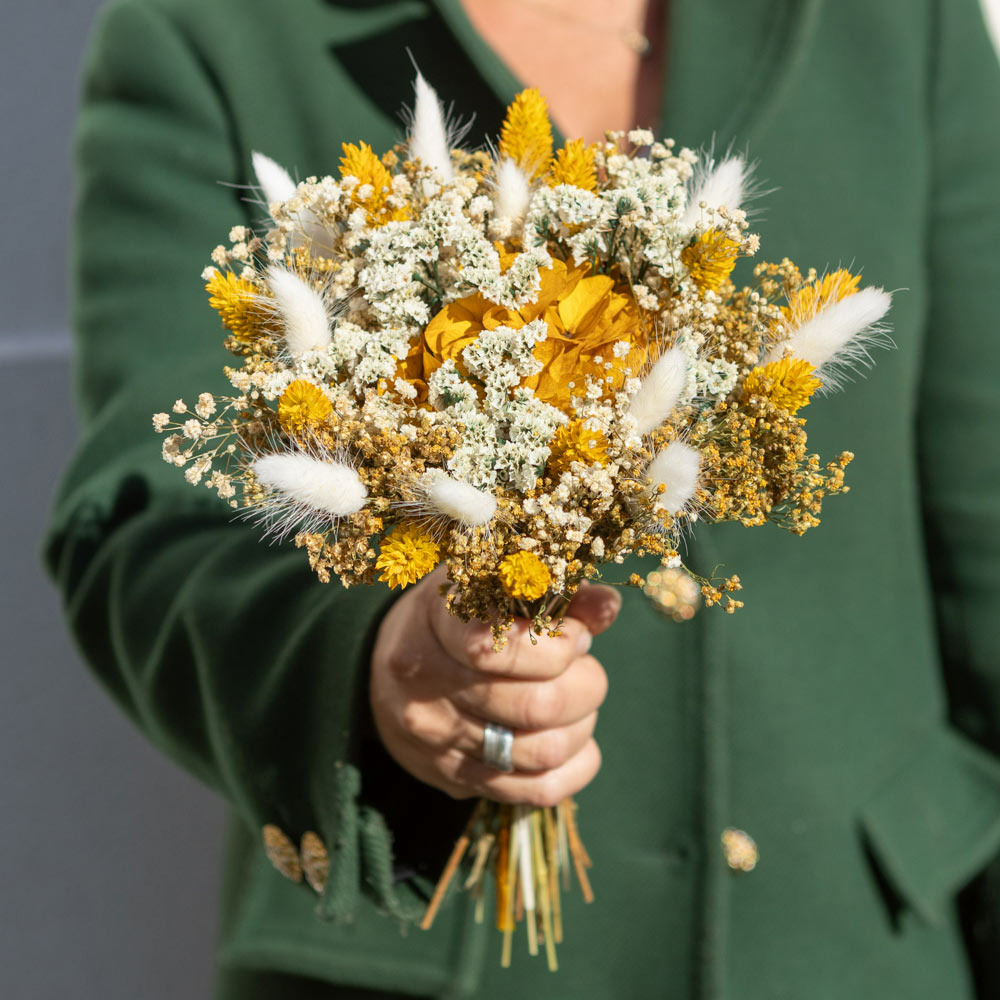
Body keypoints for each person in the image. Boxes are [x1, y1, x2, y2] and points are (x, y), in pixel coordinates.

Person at [45, 0, 1000, 997]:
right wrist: (378, 668)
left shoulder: (895, 21)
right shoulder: (212, 29)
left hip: (847, 946)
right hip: (426, 957)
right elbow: (145, 524)